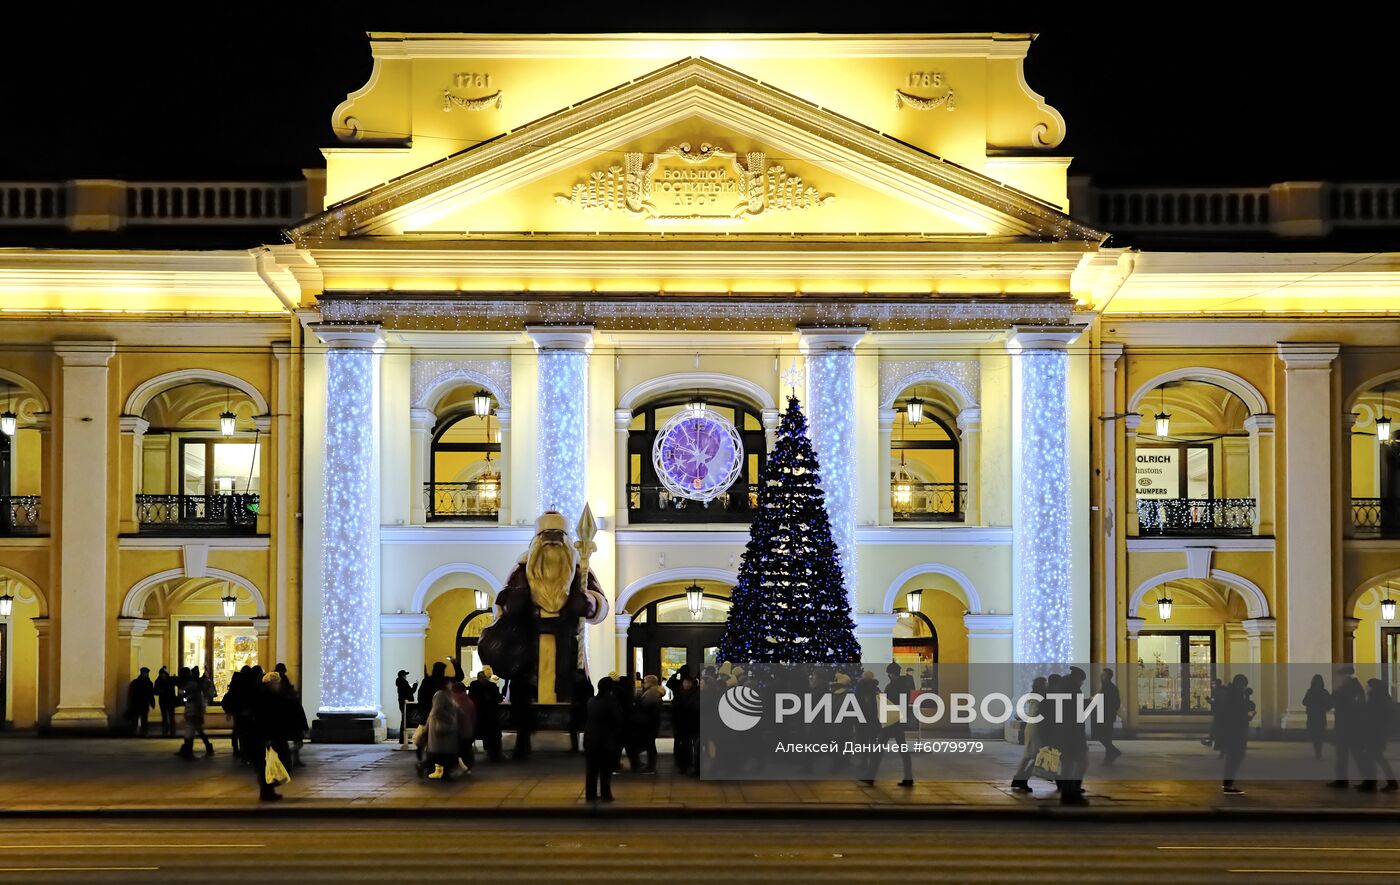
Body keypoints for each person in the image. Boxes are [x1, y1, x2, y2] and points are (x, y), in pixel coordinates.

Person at [863, 662, 914, 787]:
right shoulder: (900, 685)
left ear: (891, 673)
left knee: (883, 749)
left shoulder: (895, 686)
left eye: (888, 673)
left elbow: (894, 702)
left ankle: (871, 776)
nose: (888, 675)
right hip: (894, 721)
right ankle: (908, 778)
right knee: (898, 750)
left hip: (893, 721)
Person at [251, 671, 300, 801]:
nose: (278, 685)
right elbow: (264, 718)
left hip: (275, 735)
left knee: (273, 764)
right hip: (270, 736)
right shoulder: (266, 697)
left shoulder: (273, 696)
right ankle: (266, 790)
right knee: (271, 764)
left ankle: (267, 789)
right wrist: (267, 737)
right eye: (276, 683)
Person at [584, 676, 623, 802]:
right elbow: (617, 720)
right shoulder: (611, 703)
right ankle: (605, 794)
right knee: (605, 770)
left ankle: (590, 794)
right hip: (606, 740)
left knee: (591, 770)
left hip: (591, 739)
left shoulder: (591, 701)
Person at [1328, 665, 1367, 787]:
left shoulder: (1353, 688)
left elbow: (1354, 707)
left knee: (1357, 755)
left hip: (1351, 728)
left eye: (1340, 675)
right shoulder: (1348, 688)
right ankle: (1341, 780)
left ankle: (1368, 781)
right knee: (1342, 755)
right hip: (1344, 727)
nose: (1338, 678)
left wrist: (1337, 695)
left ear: (1346, 675)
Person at [1358, 678, 1399, 792]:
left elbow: (1374, 718)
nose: (1367, 688)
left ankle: (1371, 784)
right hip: (1378, 734)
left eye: (1369, 686)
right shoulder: (1380, 699)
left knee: (1371, 758)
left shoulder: (1377, 700)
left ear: (1374, 688)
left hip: (1375, 734)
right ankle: (1386, 783)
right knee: (1377, 758)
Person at [1010, 675, 1049, 793]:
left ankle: (1018, 779)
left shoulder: (1033, 696)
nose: (1047, 685)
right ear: (1041, 685)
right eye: (1045, 683)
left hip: (1031, 727)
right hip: (1036, 728)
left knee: (1028, 756)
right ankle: (1022, 779)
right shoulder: (1042, 697)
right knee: (1036, 756)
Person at [1217, 673, 1253, 794]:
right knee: (1235, 757)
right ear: (1240, 684)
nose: (1244, 688)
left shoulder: (1232, 693)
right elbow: (1236, 714)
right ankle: (1228, 785)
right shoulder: (1235, 695)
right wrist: (1247, 716)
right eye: (1244, 686)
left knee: (1233, 758)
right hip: (1235, 732)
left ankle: (1227, 784)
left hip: (1232, 731)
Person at [176, 666, 215, 758]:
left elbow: (191, 697)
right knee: (196, 730)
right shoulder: (194, 684)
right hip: (193, 710)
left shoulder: (192, 685)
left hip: (193, 711)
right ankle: (190, 749)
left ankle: (187, 750)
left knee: (191, 731)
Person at [424, 689, 462, 780]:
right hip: (442, 728)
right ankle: (444, 773)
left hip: (442, 729)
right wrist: (451, 719)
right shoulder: (441, 695)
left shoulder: (443, 695)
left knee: (440, 753)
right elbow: (439, 710)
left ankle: (442, 772)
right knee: (443, 753)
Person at [468, 669, 503, 761]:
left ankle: (488, 751)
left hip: (479, 713)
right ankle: (494, 753)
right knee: (492, 733)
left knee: (482, 732)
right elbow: (498, 698)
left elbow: (471, 697)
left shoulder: (474, 685)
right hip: (491, 713)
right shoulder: (492, 685)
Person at [671, 674, 701, 775]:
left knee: (692, 745)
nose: (686, 684)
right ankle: (684, 765)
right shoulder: (680, 694)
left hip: (692, 723)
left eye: (688, 683)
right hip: (682, 724)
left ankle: (691, 766)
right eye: (685, 682)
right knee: (684, 746)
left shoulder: (696, 694)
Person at [635, 674, 664, 773]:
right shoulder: (655, 692)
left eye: (645, 682)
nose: (643, 684)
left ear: (650, 683)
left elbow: (645, 706)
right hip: (652, 722)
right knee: (650, 744)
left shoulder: (651, 693)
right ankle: (650, 765)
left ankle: (651, 766)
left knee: (649, 745)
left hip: (649, 723)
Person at [1094, 668, 1121, 764]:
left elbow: (1116, 702)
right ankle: (1109, 756)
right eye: (1101, 675)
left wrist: (1110, 712)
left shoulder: (1111, 688)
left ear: (1109, 676)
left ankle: (1112, 754)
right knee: (1104, 736)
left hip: (1107, 716)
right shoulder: (1104, 687)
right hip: (1104, 715)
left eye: (1104, 675)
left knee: (1102, 735)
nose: (1101, 677)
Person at [1302, 674, 1333, 761]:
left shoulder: (1310, 691)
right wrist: (1324, 709)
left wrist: (1311, 706)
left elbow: (1304, 702)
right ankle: (1319, 752)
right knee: (1320, 734)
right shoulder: (1324, 692)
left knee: (1314, 734)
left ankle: (1317, 751)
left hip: (1312, 717)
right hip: (1321, 716)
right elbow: (1331, 703)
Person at [450, 680, 477, 774]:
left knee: (456, 750)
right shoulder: (469, 701)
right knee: (466, 749)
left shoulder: (453, 700)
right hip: (468, 730)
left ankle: (454, 767)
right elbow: (473, 717)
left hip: (457, 730)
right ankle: (468, 766)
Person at [125, 667, 155, 737]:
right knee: (136, 718)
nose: (146, 674)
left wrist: (152, 702)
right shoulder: (136, 682)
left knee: (144, 718)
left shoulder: (148, 683)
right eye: (145, 673)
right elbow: (132, 694)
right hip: (137, 703)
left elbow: (151, 693)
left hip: (143, 703)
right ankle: (136, 731)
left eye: (146, 673)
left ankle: (143, 732)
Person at [568, 668, 593, 753]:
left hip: (580, 709)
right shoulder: (587, 684)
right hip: (583, 709)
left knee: (574, 728)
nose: (576, 677)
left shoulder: (579, 685)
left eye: (577, 675)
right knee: (584, 729)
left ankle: (576, 747)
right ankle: (584, 747)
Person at [395, 669, 418, 749]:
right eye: (405, 675)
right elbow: (411, 691)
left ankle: (402, 738)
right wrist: (415, 684)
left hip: (402, 703)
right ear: (402, 676)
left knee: (404, 720)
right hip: (405, 704)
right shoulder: (403, 683)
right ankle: (402, 739)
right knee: (405, 720)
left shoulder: (400, 683)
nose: (406, 676)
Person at [154, 666, 178, 737]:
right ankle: (167, 731)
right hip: (164, 701)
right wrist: (162, 691)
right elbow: (156, 691)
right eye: (162, 674)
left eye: (163, 674)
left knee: (171, 716)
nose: (163, 675)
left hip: (169, 701)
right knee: (166, 716)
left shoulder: (170, 679)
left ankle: (171, 731)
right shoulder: (159, 681)